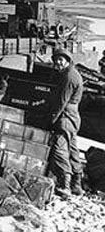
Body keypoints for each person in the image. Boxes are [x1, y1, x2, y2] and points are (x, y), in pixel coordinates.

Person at [47, 48, 84, 199]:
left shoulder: (68, 77)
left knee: (59, 150)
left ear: (68, 61)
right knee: (73, 150)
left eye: (61, 60)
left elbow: (61, 102)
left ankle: (65, 185)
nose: (58, 63)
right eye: (56, 60)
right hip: (73, 117)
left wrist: (51, 120)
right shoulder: (72, 74)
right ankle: (77, 183)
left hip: (66, 118)